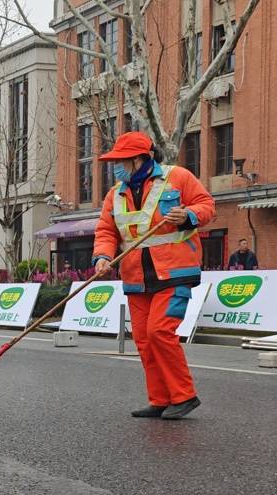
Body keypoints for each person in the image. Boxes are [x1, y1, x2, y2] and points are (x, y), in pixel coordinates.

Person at [94, 131, 213, 420]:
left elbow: (207, 206)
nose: (116, 167)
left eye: (121, 161)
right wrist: (103, 257)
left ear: (141, 159)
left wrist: (188, 215)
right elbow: (106, 231)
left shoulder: (178, 177)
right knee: (144, 340)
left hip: (174, 272)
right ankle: (160, 399)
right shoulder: (115, 194)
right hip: (136, 277)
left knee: (159, 332)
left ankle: (184, 396)